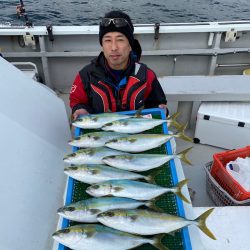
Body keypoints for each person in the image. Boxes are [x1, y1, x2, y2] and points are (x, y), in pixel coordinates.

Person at [69, 10, 167, 120]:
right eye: (107, 40)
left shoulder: (147, 76)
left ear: (130, 45)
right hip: (101, 133)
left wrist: (161, 108)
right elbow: (77, 101)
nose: (114, 47)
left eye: (120, 40)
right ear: (102, 45)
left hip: (136, 131)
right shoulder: (85, 76)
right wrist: (79, 109)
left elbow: (157, 103)